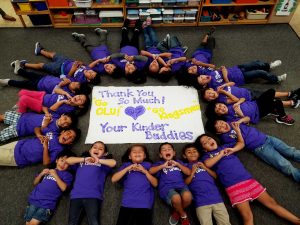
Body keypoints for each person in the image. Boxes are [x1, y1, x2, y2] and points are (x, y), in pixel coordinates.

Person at [195, 129, 300, 225]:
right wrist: (221, 154)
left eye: (209, 138)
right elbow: (208, 164)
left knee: (272, 203)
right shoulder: (206, 156)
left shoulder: (225, 146)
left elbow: (241, 143)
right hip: (233, 187)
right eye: (205, 143)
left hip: (248, 181)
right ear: (204, 149)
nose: (209, 141)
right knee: (248, 217)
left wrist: (237, 131)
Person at [205, 117, 300, 183]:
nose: (222, 125)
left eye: (221, 122)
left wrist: (240, 120)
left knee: (291, 151)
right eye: (219, 127)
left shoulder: (232, 121)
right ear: (218, 132)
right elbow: (240, 145)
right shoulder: (225, 137)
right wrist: (237, 134)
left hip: (268, 138)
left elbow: (248, 118)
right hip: (260, 148)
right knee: (284, 164)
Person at [66, 141, 116, 225]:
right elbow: (68, 160)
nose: (97, 149)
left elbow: (113, 163)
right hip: (76, 196)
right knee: (72, 222)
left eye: (100, 149)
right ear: (90, 150)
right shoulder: (81, 161)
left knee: (94, 222)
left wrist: (99, 160)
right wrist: (84, 159)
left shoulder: (103, 163)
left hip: (93, 196)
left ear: (105, 153)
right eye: (95, 147)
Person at [182, 144, 231, 225]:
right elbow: (185, 183)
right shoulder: (186, 167)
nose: (192, 153)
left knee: (225, 223)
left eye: (194, 151)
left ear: (198, 153)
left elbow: (215, 176)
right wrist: (192, 172)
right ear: (184, 156)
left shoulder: (205, 163)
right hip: (201, 202)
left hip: (217, 199)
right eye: (189, 152)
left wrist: (205, 168)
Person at [24, 150, 74, 225]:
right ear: (57, 160)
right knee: (27, 223)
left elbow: (64, 188)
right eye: (62, 160)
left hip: (47, 204)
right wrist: (41, 174)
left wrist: (55, 175)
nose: (63, 164)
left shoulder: (67, 175)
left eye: (66, 163)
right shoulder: (49, 170)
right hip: (34, 199)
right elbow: (35, 183)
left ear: (69, 166)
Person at [111, 144, 157, 225]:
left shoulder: (148, 165)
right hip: (127, 203)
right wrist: (128, 168)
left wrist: (145, 171)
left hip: (144, 204)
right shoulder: (126, 165)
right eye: (134, 152)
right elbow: (114, 179)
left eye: (140, 152)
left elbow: (155, 184)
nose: (137, 153)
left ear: (144, 156)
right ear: (129, 157)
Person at [149, 143, 192, 225]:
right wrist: (162, 166)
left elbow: (189, 172)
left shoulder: (179, 162)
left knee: (188, 197)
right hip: (166, 187)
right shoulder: (159, 163)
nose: (167, 150)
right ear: (161, 155)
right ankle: (183, 215)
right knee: (176, 198)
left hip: (181, 185)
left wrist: (178, 164)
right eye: (164, 150)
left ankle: (177, 211)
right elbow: (151, 171)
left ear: (174, 153)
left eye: (169, 149)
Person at [19, 42, 100, 84]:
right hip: (66, 61)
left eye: (91, 74)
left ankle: (24, 64)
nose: (90, 71)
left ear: (89, 80)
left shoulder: (81, 80)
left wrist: (73, 69)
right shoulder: (88, 69)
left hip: (59, 69)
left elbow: (68, 78)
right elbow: (87, 65)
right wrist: (81, 63)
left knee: (41, 65)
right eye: (92, 71)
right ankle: (40, 51)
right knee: (53, 54)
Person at [205, 88, 295, 125]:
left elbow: (243, 98)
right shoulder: (229, 118)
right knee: (277, 102)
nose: (221, 108)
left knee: (271, 91)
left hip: (255, 103)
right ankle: (282, 117)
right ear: (219, 115)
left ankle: (273, 109)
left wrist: (238, 103)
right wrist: (240, 114)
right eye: (218, 110)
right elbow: (247, 121)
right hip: (258, 113)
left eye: (220, 106)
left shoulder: (230, 105)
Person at [0, 127, 80, 167]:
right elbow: (37, 128)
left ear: (70, 143)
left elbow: (46, 163)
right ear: (63, 132)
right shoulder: (53, 132)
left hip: (18, 157)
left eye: (71, 137)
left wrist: (45, 147)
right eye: (68, 132)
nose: (68, 136)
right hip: (19, 144)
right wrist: (39, 135)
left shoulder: (60, 150)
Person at [184, 60, 285, 90]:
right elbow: (231, 84)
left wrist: (225, 76)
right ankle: (276, 79)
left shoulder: (209, 73)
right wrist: (226, 78)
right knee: (260, 73)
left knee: (256, 63)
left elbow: (223, 67)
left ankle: (269, 66)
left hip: (237, 68)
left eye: (201, 76)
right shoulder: (214, 86)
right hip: (242, 77)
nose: (204, 77)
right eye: (203, 80)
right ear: (205, 85)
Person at [0, 67, 91, 96]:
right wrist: (63, 78)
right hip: (45, 77)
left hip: (39, 86)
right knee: (30, 74)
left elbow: (54, 91)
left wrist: (62, 83)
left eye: (75, 85)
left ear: (73, 91)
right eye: (77, 82)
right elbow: (62, 75)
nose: (74, 83)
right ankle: (19, 70)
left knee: (23, 83)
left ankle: (7, 82)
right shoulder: (70, 81)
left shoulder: (66, 92)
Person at [0, 109, 75, 143]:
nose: (63, 122)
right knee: (2, 117)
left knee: (1, 137)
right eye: (65, 119)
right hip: (23, 117)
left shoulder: (55, 131)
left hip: (20, 129)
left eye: (66, 124)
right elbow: (44, 106)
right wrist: (46, 113)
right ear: (62, 115)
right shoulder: (55, 115)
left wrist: (45, 123)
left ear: (66, 127)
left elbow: (39, 129)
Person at [201, 83, 300, 108]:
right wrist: (224, 92)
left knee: (269, 92)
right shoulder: (221, 100)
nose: (210, 95)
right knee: (269, 100)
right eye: (209, 97)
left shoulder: (220, 87)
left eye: (209, 93)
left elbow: (232, 83)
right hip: (250, 98)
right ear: (210, 100)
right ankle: (291, 103)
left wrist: (223, 86)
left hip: (248, 91)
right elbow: (236, 100)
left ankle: (289, 93)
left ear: (211, 89)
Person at [111, 19, 148, 84]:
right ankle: (137, 23)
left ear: (124, 72)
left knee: (124, 34)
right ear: (136, 68)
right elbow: (145, 59)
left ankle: (125, 24)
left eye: (127, 71)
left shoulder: (121, 66)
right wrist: (134, 57)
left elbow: (112, 57)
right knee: (136, 34)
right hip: (135, 47)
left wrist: (123, 55)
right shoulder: (139, 66)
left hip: (124, 46)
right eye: (132, 69)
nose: (129, 67)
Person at [16, 89, 90, 116]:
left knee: (23, 99)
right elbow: (56, 90)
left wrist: (63, 101)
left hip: (42, 105)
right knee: (22, 92)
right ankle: (23, 105)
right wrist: (66, 93)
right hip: (43, 95)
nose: (78, 98)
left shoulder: (70, 109)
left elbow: (51, 109)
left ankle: (21, 113)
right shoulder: (71, 95)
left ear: (80, 106)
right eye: (79, 95)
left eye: (81, 100)